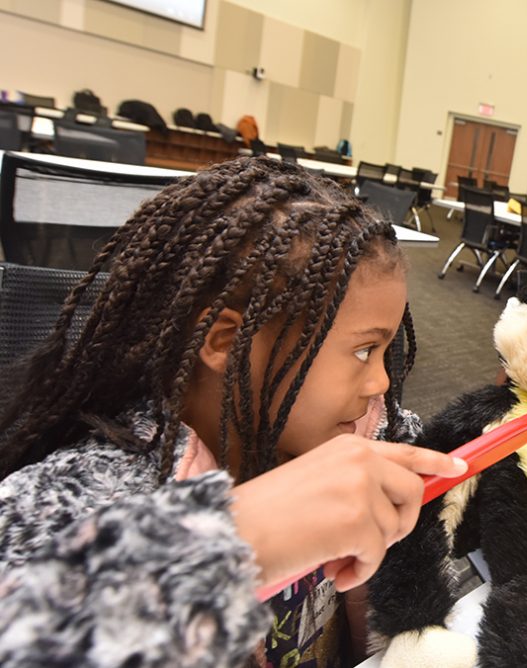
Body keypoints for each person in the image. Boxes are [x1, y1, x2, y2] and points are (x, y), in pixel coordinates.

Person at [0, 157, 467, 667]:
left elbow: (424, 451)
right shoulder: (89, 495)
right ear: (227, 342)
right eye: (363, 351)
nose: (380, 382)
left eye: (385, 352)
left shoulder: (355, 427)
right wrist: (238, 536)